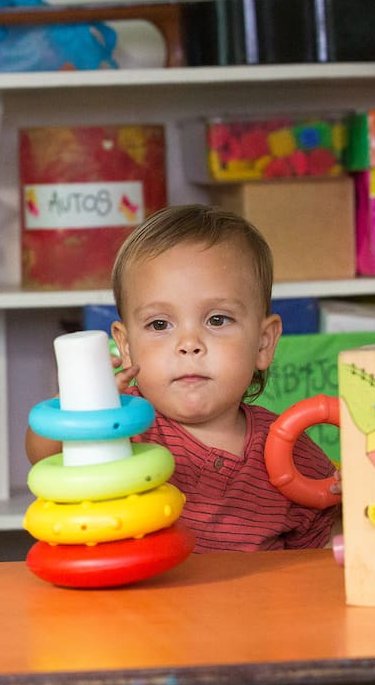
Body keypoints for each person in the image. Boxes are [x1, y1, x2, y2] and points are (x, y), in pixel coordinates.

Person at [26, 204, 338, 552]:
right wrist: (85, 413)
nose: (189, 344)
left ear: (264, 343)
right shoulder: (122, 429)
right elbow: (44, 455)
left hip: (251, 606)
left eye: (217, 320)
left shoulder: (291, 452)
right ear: (126, 347)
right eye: (160, 324)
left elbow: (323, 549)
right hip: (135, 603)